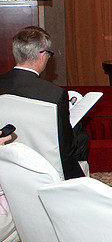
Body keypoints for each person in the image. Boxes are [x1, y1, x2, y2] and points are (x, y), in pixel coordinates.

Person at [0, 26, 88, 179]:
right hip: (47, 169)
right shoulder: (55, 95)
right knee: (80, 136)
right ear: (42, 55)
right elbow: (65, 148)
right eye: (49, 54)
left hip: (7, 164)